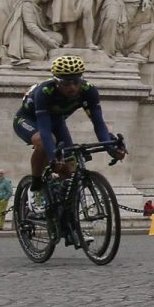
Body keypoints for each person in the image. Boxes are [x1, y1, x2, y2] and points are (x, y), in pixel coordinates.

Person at [12, 55, 126, 201]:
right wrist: (53, 157)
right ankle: (36, 185)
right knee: (44, 140)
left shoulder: (88, 90)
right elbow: (45, 129)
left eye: (76, 82)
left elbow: (98, 123)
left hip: (57, 122)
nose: (72, 87)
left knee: (70, 169)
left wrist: (110, 147)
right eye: (66, 83)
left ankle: (62, 208)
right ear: (56, 81)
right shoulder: (45, 91)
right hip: (29, 120)